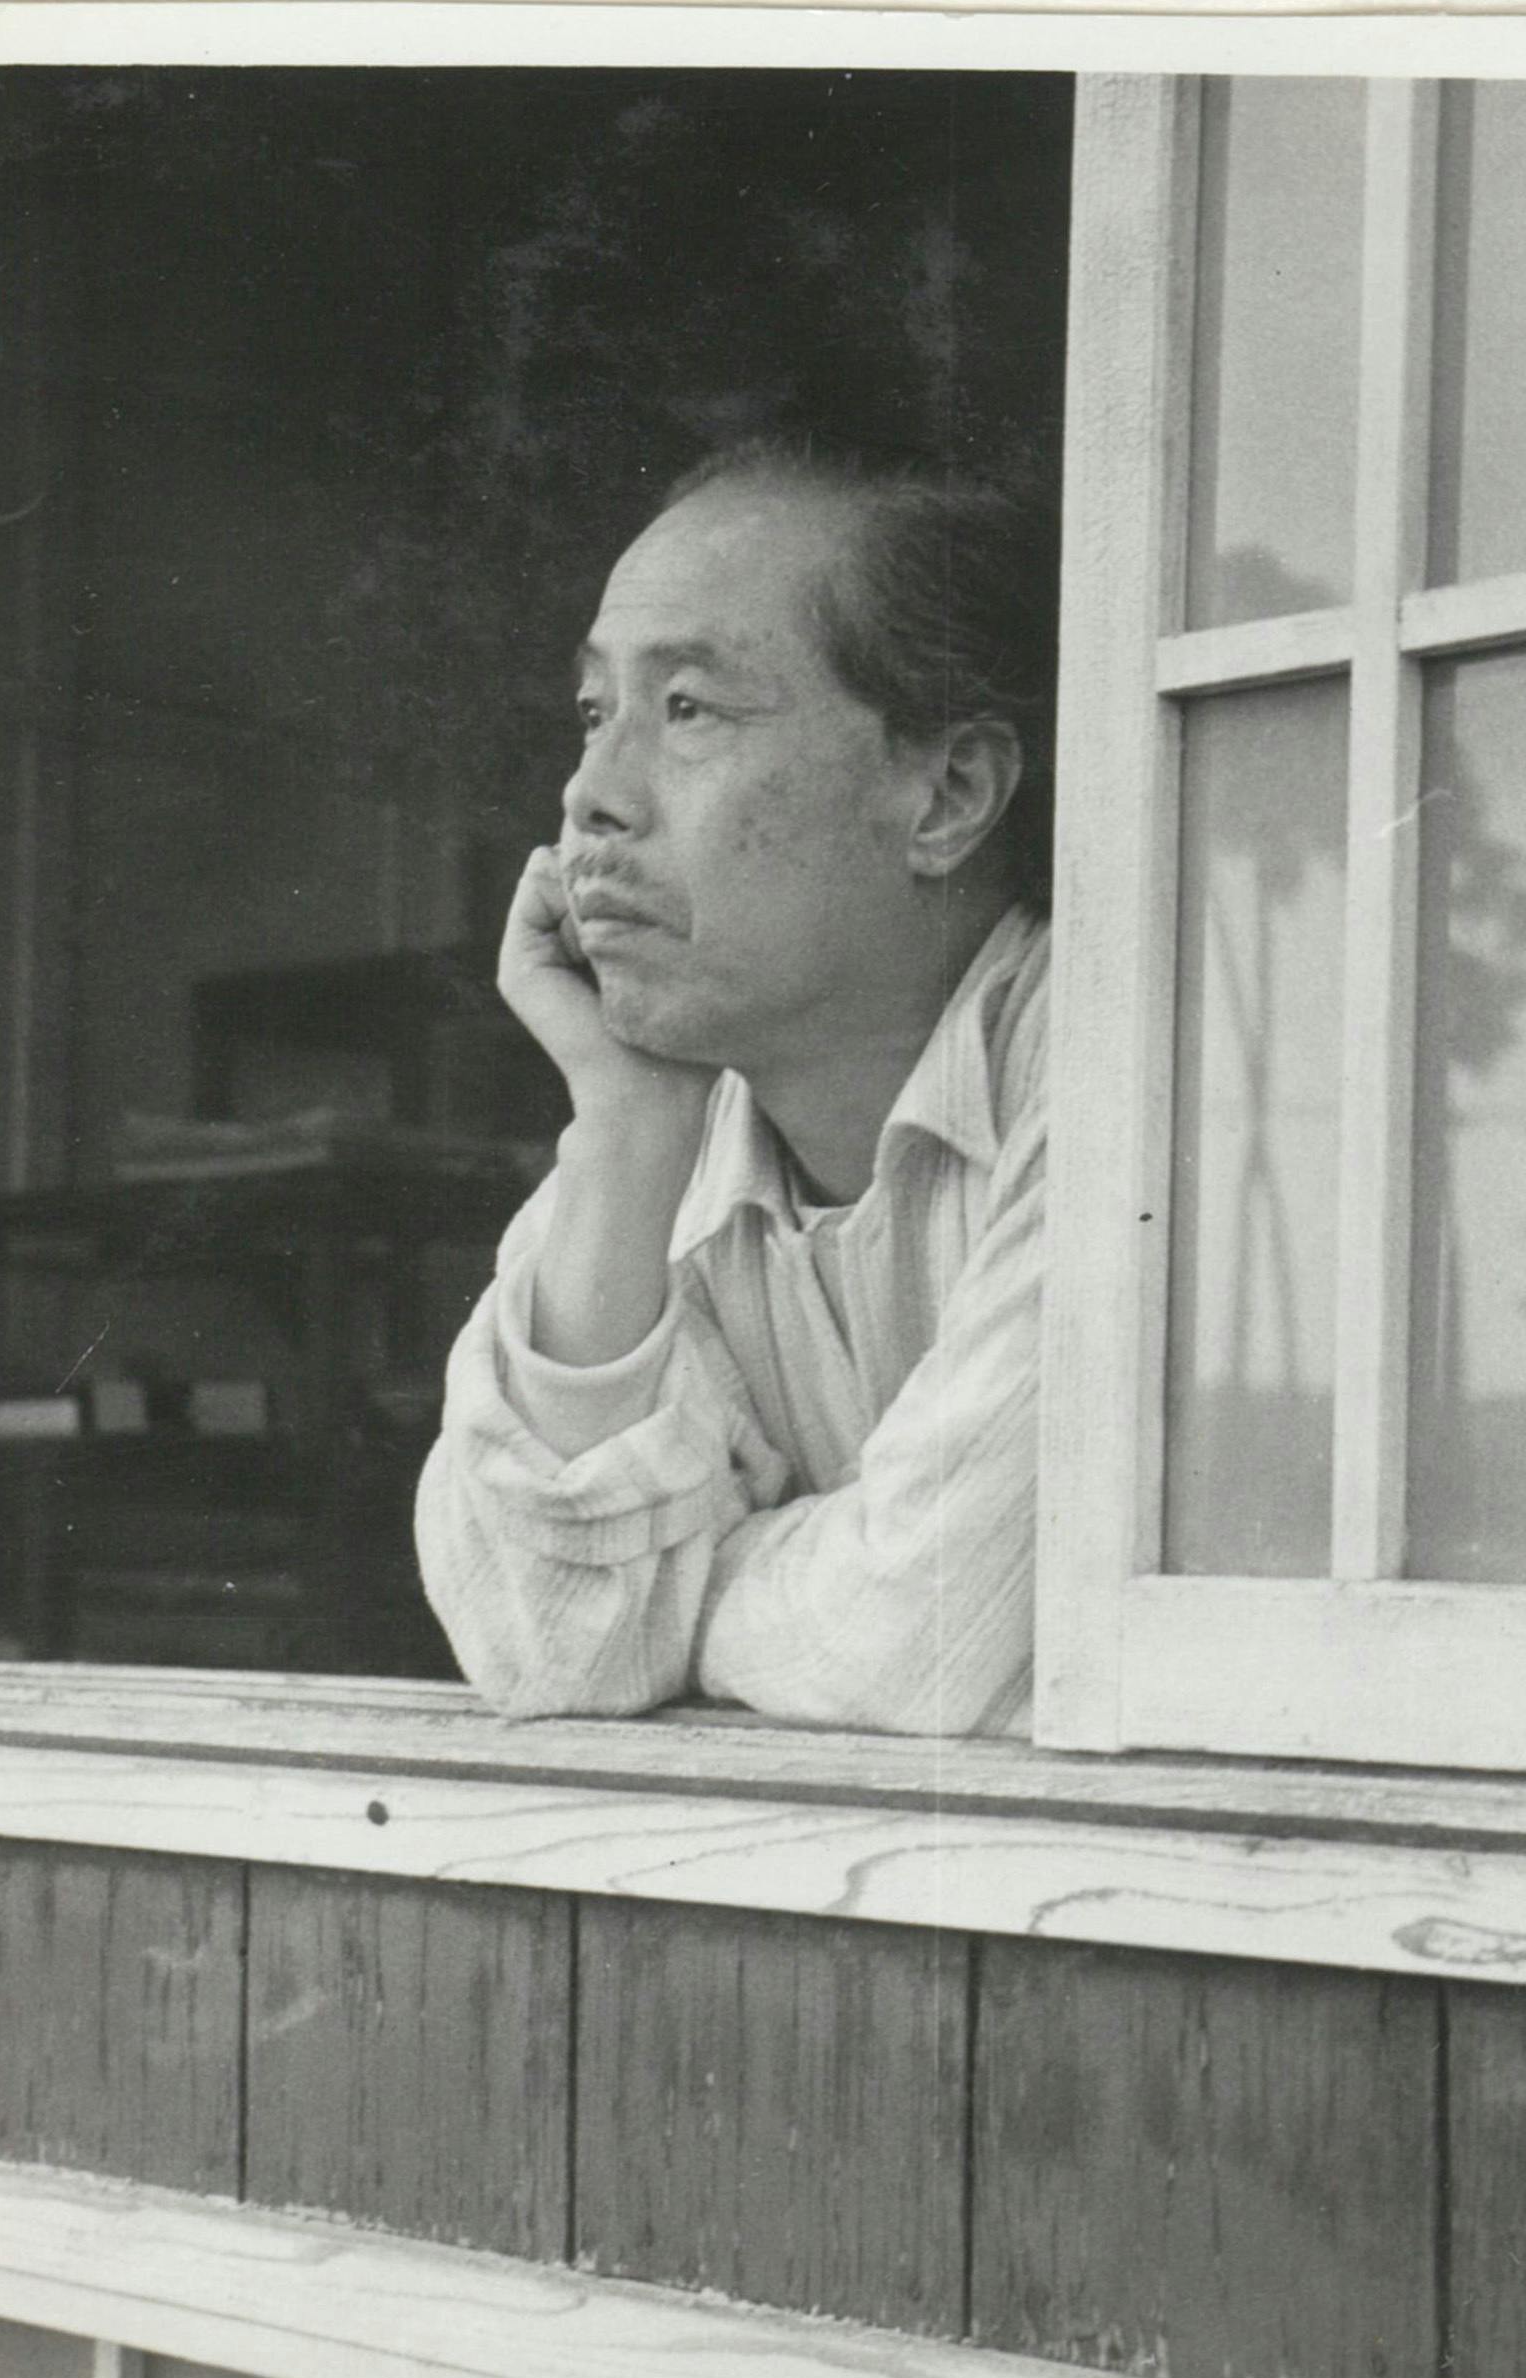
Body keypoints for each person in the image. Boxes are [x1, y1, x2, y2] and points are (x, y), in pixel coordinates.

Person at [415, 438, 1055, 1735]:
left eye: (688, 710)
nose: (588, 795)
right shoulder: (672, 1125)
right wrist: (625, 1127)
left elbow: (918, 1644)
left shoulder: (1122, 1080)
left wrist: (682, 1592)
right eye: (594, 712)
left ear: (948, 794)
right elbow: (547, 1650)